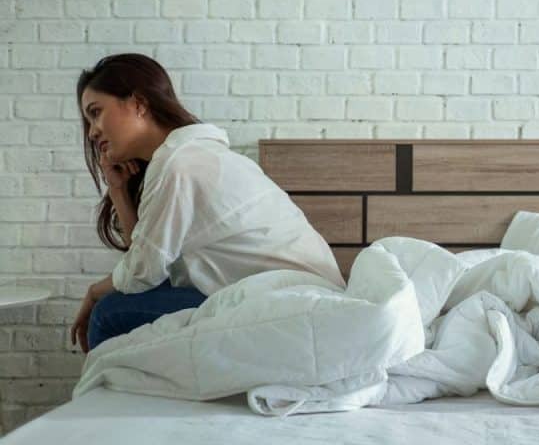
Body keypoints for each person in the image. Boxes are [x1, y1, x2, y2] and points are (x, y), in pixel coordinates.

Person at [70, 53, 342, 353]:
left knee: (108, 314)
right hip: (293, 296)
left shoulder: (180, 164)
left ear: (138, 103)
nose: (93, 131)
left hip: (292, 304)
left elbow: (141, 273)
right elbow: (149, 262)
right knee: (125, 300)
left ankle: (107, 399)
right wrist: (119, 191)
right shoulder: (190, 155)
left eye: (96, 112)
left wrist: (94, 292)